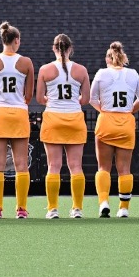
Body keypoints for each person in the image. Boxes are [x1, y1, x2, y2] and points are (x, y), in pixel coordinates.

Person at [0, 21, 34, 219]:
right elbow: (28, 95)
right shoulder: (26, 62)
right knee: (21, 164)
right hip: (19, 113)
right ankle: (21, 208)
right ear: (16, 40)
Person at [90, 42, 139, 218]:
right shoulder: (133, 74)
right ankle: (123, 208)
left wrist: (105, 111)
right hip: (126, 123)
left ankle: (104, 202)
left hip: (106, 121)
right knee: (124, 169)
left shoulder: (101, 73)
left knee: (103, 167)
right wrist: (129, 110)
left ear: (108, 58)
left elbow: (92, 99)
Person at [38, 33, 89, 219]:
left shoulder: (45, 70)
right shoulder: (81, 70)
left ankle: (52, 209)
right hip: (74, 119)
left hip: (53, 119)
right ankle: (77, 209)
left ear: (54, 48)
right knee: (76, 166)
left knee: (54, 166)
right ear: (70, 48)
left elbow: (39, 98)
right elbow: (86, 99)